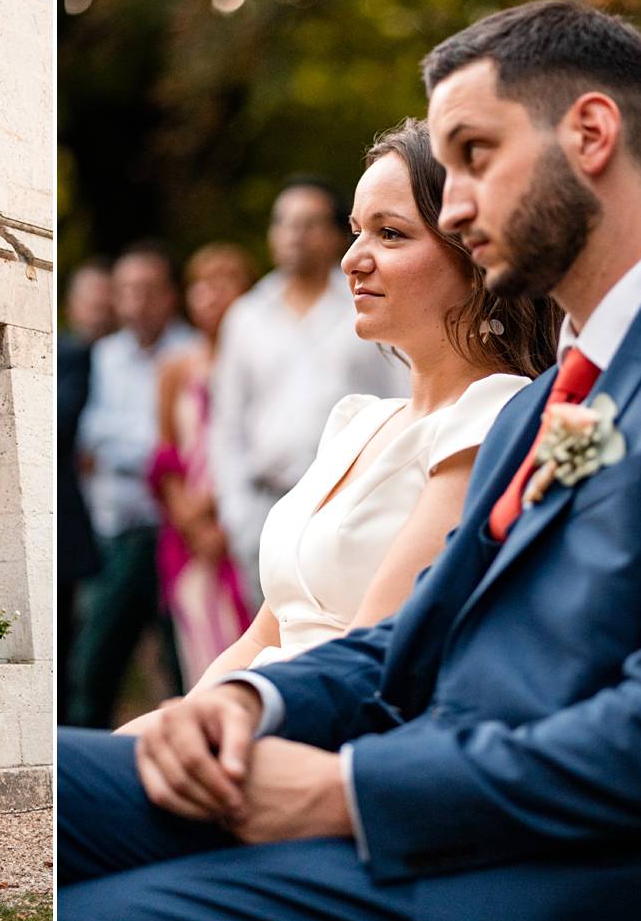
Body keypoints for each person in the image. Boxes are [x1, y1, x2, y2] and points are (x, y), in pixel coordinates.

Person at [58, 0, 641, 921]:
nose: (458, 205)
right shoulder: (541, 404)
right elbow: (408, 638)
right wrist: (249, 703)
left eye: (475, 155)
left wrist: (341, 795)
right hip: (439, 811)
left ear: (591, 134)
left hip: (588, 887)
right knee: (40, 780)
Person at [121, 121, 556, 738]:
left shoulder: (494, 419)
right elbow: (266, 632)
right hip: (243, 705)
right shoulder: (359, 422)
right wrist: (180, 722)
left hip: (305, 736)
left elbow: (365, 663)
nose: (352, 260)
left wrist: (203, 732)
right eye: (356, 232)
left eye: (390, 233)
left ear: (478, 256)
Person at [209, 177, 407, 604]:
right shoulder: (245, 316)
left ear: (337, 234)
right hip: (264, 507)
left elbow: (402, 398)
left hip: (348, 506)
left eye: (309, 223)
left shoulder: (369, 304)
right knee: (269, 646)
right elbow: (227, 423)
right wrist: (236, 514)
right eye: (284, 222)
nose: (294, 234)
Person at [68, 241, 199, 727]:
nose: (138, 302)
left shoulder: (191, 354)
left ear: (169, 296)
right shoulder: (104, 355)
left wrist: (134, 454)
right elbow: (92, 440)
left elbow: (178, 447)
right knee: (93, 666)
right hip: (118, 535)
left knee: (187, 664)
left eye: (148, 290)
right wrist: (147, 454)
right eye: (127, 291)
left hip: (177, 534)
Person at [146, 242, 258, 689]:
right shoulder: (175, 367)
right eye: (200, 284)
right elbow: (165, 453)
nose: (209, 294)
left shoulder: (257, 363)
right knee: (199, 639)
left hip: (243, 516)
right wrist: (189, 517)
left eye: (223, 282)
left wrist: (221, 509)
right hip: (188, 531)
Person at [57, 259, 113, 722]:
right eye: (89, 300)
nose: (98, 310)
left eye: (104, 301)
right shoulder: (72, 354)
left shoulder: (98, 356)